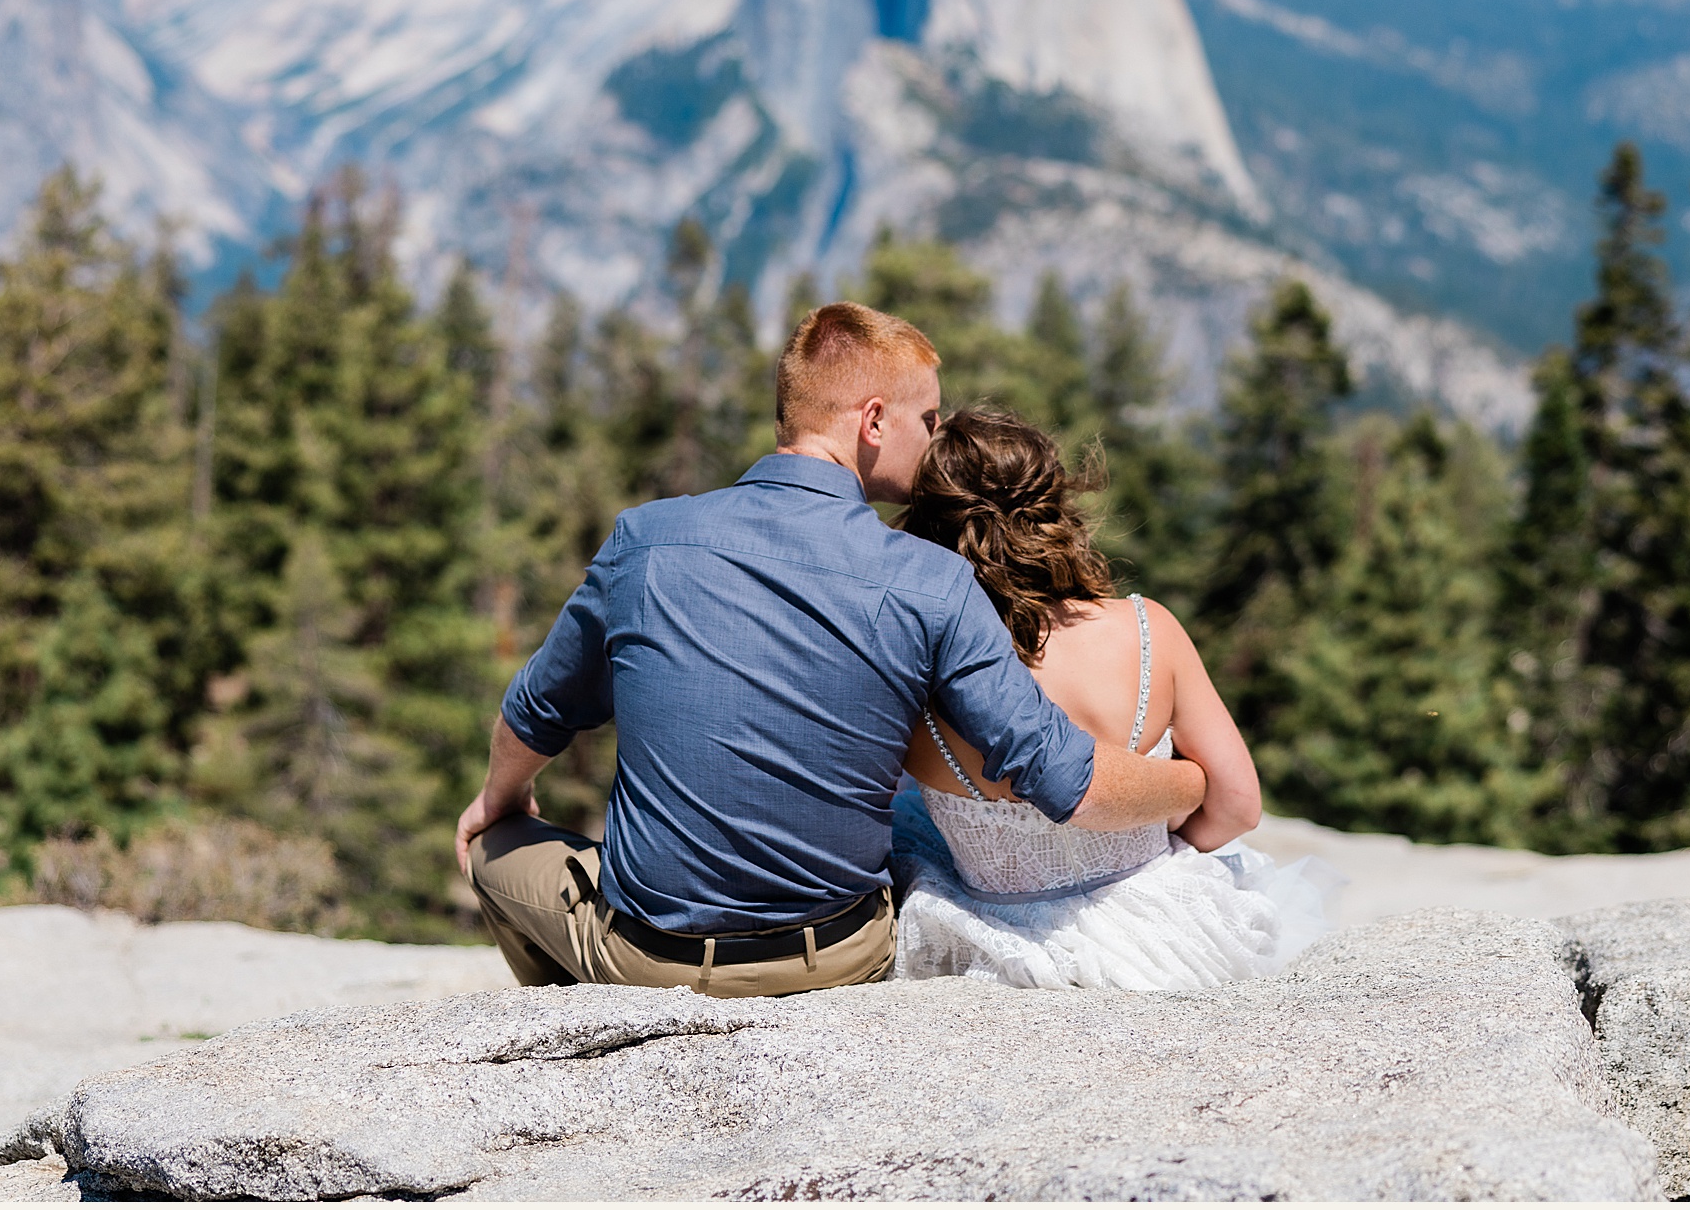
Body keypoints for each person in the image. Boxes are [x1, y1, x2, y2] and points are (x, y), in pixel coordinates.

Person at [453, 302, 1209, 998]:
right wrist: (1188, 785)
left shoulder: (645, 542)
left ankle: (582, 1019)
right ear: (874, 421)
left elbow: (535, 711)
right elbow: (1060, 775)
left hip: (653, 961)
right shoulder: (931, 580)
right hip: (843, 957)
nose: (935, 440)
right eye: (929, 417)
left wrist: (501, 799)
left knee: (497, 846)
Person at [890, 407, 1340, 989]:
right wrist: (1147, 840)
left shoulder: (915, 667)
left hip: (991, 943)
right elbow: (1237, 806)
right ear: (1054, 503)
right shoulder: (1148, 630)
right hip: (1165, 932)